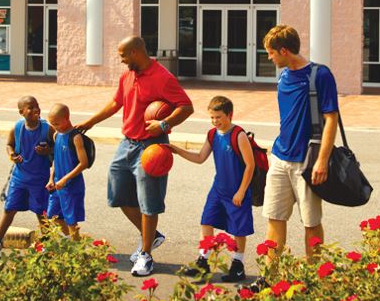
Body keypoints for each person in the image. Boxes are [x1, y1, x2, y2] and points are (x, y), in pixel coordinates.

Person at [76, 36, 193, 276]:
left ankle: (146, 254)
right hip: (127, 143)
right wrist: (89, 123)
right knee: (117, 194)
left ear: (137, 51)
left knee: (149, 203)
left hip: (152, 146)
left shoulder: (163, 77)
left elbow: (186, 106)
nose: (121, 60)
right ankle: (152, 235)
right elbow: (115, 103)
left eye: (123, 55)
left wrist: (164, 123)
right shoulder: (127, 76)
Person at [261, 24, 339, 265]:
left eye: (271, 52)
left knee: (311, 223)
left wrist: (322, 160)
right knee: (274, 217)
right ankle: (270, 276)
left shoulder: (320, 75)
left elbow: (331, 119)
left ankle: (315, 277)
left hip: (307, 161)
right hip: (280, 158)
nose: (269, 57)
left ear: (284, 51)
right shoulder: (283, 76)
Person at [169, 95, 255, 283]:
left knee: (238, 230)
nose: (215, 121)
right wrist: (177, 150)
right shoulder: (212, 134)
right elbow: (200, 158)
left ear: (229, 115)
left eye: (219, 117)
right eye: (212, 118)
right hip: (218, 190)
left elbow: (250, 165)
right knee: (206, 221)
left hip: (237, 191)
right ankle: (203, 261)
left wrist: (241, 191)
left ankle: (238, 266)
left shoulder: (238, 135)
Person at [0, 95, 52, 258]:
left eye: (37, 106)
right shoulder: (17, 128)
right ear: (21, 112)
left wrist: (47, 152)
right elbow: (9, 144)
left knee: (42, 212)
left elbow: (55, 150)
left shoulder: (47, 129)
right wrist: (12, 154)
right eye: (30, 107)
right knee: (9, 208)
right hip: (20, 178)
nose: (35, 109)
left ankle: (46, 245)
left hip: (40, 179)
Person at [45, 103, 88, 241]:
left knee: (71, 220)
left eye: (56, 123)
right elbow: (56, 160)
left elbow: (84, 163)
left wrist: (65, 179)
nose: (54, 127)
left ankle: (77, 249)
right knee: (52, 215)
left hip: (71, 186)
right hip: (58, 184)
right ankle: (72, 241)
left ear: (66, 118)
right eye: (52, 124)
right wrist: (51, 178)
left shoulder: (75, 138)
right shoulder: (56, 136)